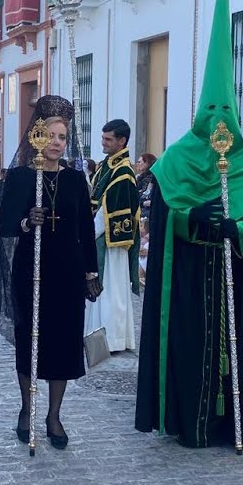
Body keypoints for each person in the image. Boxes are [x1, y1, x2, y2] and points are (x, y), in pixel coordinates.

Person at [134, 0, 243, 450]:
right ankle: (192, 423)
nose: (219, 117)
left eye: (227, 108)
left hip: (236, 281)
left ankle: (238, 424)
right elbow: (163, 219)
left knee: (238, 349)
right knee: (192, 350)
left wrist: (238, 230)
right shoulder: (176, 160)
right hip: (187, 279)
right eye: (212, 107)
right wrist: (191, 219)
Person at [0, 95, 99, 449]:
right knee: (30, 340)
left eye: (62, 137)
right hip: (31, 270)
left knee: (63, 343)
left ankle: (54, 414)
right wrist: (28, 221)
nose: (57, 143)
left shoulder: (75, 180)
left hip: (67, 272)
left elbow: (85, 227)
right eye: (51, 136)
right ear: (37, 137)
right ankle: (27, 408)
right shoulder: (22, 177)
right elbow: (6, 225)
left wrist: (90, 272)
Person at [86, 119, 140, 353]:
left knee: (111, 290)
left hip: (111, 242)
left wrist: (87, 234)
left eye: (108, 139)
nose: (103, 143)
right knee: (99, 289)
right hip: (98, 237)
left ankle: (114, 339)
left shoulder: (123, 172)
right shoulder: (105, 166)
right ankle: (95, 336)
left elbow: (107, 212)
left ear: (122, 141)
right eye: (103, 138)